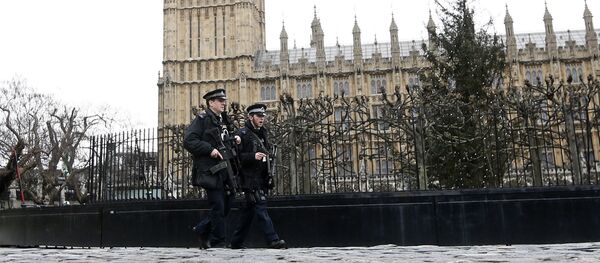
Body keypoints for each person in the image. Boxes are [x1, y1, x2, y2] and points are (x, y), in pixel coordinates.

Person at [183, 88, 241, 249]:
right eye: (220, 101)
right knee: (218, 206)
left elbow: (226, 137)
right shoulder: (202, 119)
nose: (224, 103)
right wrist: (209, 149)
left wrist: (235, 137)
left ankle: (202, 229)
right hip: (211, 171)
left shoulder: (223, 119)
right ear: (211, 103)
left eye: (224, 100)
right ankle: (218, 241)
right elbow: (189, 141)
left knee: (227, 204)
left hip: (226, 169)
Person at [229, 103, 287, 249]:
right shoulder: (241, 134)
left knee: (248, 213)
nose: (262, 119)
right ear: (250, 117)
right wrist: (252, 156)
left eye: (263, 116)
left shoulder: (263, 133)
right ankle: (273, 240)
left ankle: (236, 242)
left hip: (260, 177)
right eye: (259, 116)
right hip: (248, 179)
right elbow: (235, 158)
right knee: (261, 207)